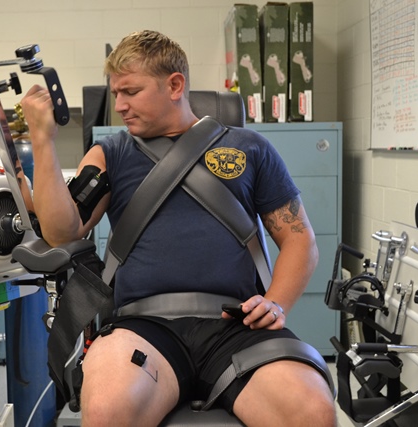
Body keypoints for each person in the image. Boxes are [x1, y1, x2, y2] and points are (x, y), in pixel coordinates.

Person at [20, 29, 336, 427]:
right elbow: (62, 233)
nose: (120, 106)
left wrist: (276, 302)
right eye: (116, 93)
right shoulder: (111, 153)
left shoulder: (249, 148)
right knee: (106, 413)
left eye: (131, 92)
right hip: (143, 328)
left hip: (237, 327)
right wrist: (43, 139)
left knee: (312, 412)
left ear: (174, 85)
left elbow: (298, 238)